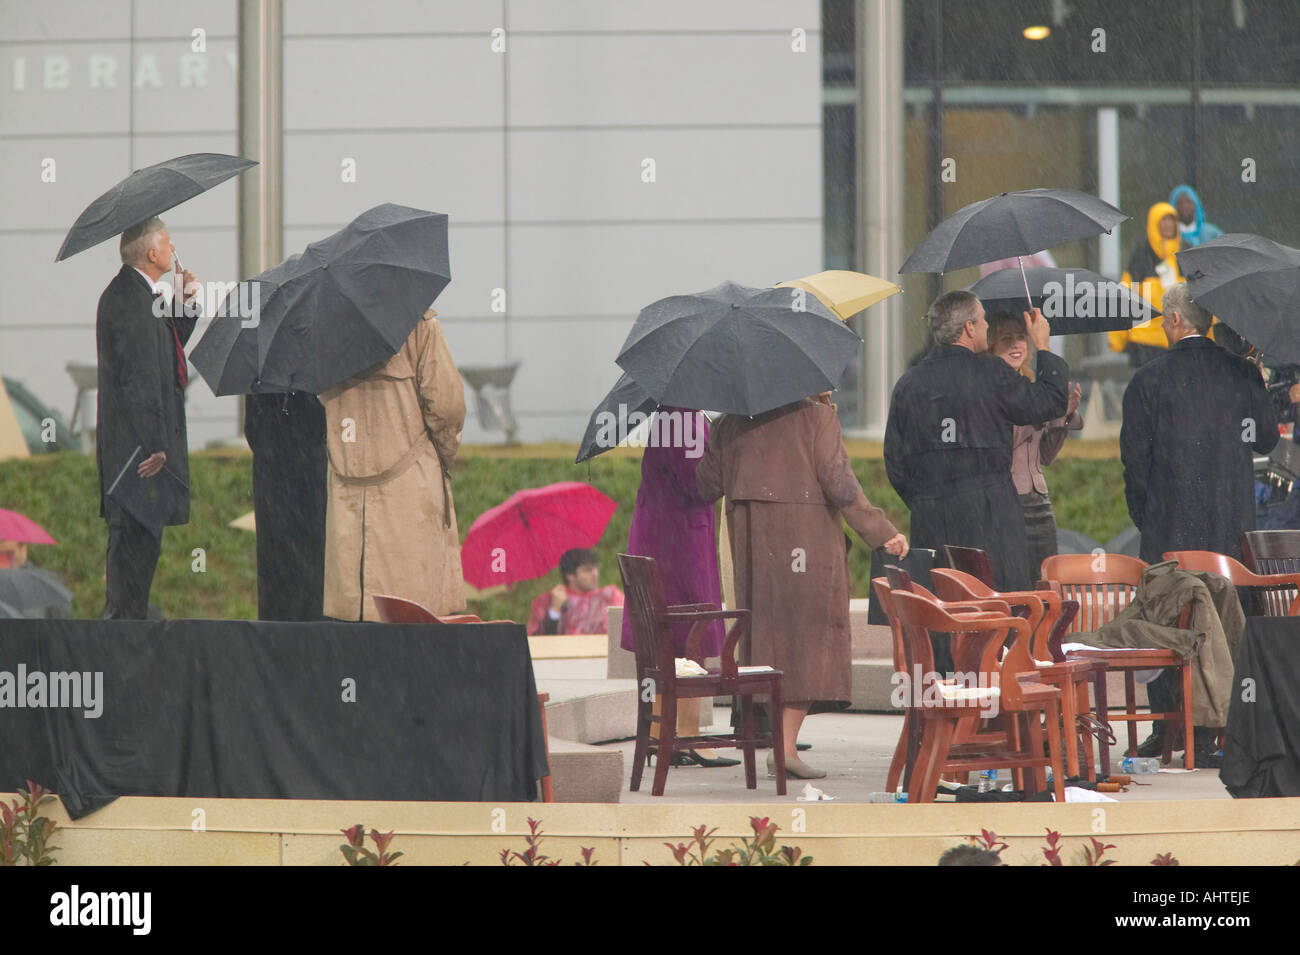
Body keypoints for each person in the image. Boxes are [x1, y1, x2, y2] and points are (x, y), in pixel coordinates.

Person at [697, 391, 907, 780]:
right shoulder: (818, 418)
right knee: (814, 640)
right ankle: (785, 747)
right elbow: (840, 483)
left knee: (768, 638)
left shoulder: (729, 422)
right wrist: (881, 532)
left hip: (755, 550)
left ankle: (781, 745)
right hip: (808, 547)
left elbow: (706, 484)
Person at [1120, 282, 1277, 763]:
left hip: (1168, 529)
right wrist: (1257, 380)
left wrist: (1149, 519)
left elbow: (1135, 465)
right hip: (1230, 529)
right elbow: (1267, 440)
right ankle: (1225, 725)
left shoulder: (1147, 382)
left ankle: (1169, 725)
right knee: (1229, 623)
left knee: (1169, 624)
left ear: (1172, 321)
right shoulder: (1241, 374)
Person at [884, 292, 1068, 592]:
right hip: (990, 517)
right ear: (969, 328)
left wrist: (927, 500)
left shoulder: (908, 385)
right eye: (983, 321)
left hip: (931, 519)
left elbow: (895, 461)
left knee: (943, 615)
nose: (986, 327)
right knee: (998, 613)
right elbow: (1050, 402)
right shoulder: (992, 373)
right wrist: (1043, 345)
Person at [320, 309, 466, 621]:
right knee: (412, 618)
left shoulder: (323, 327)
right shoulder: (420, 323)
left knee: (353, 620)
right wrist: (443, 455)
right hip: (410, 493)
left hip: (345, 497)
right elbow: (448, 408)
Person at [618, 408, 736, 768]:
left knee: (670, 641)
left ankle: (664, 735)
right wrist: (726, 452)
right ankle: (685, 736)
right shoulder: (684, 419)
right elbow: (699, 483)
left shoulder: (673, 416)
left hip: (666, 537)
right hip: (680, 545)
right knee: (690, 634)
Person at [95, 217, 199, 619]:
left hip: (137, 453)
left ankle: (128, 634)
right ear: (152, 253)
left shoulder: (138, 295)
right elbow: (141, 381)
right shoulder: (129, 299)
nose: (174, 251)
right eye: (169, 244)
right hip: (137, 457)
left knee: (140, 553)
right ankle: (123, 645)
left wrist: (186, 303)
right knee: (131, 560)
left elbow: (165, 348)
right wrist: (158, 445)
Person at [986, 312, 1083, 581]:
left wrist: (1061, 416)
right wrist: (1038, 414)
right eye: (1006, 339)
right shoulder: (989, 389)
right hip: (1009, 501)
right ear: (992, 346)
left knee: (1045, 581)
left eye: (1021, 338)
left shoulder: (1031, 386)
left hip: (1039, 500)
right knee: (1017, 582)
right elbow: (1004, 444)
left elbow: (1046, 456)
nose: (1017, 345)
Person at [244, 390, 327, 621]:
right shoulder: (318, 367)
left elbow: (250, 429)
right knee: (313, 566)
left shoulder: (258, 362)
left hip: (270, 471)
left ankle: (277, 641)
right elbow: (323, 425)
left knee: (274, 569)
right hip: (312, 471)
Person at [1108, 201, 1183, 368]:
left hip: (1177, 338)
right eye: (1163, 219)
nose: (1168, 224)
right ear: (1154, 222)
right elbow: (1126, 295)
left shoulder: (1184, 255)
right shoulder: (1142, 255)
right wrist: (1117, 337)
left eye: (1172, 219)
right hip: (1145, 339)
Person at [528, 547, 624, 635]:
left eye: (595, 568)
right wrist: (554, 610)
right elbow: (540, 643)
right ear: (570, 576)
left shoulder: (609, 597)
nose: (595, 574)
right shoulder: (549, 600)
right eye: (587, 570)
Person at [1169, 184, 1223, 248]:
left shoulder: (1212, 233)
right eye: (1181, 203)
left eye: (1188, 202)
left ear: (1196, 205)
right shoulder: (1168, 235)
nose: (1185, 206)